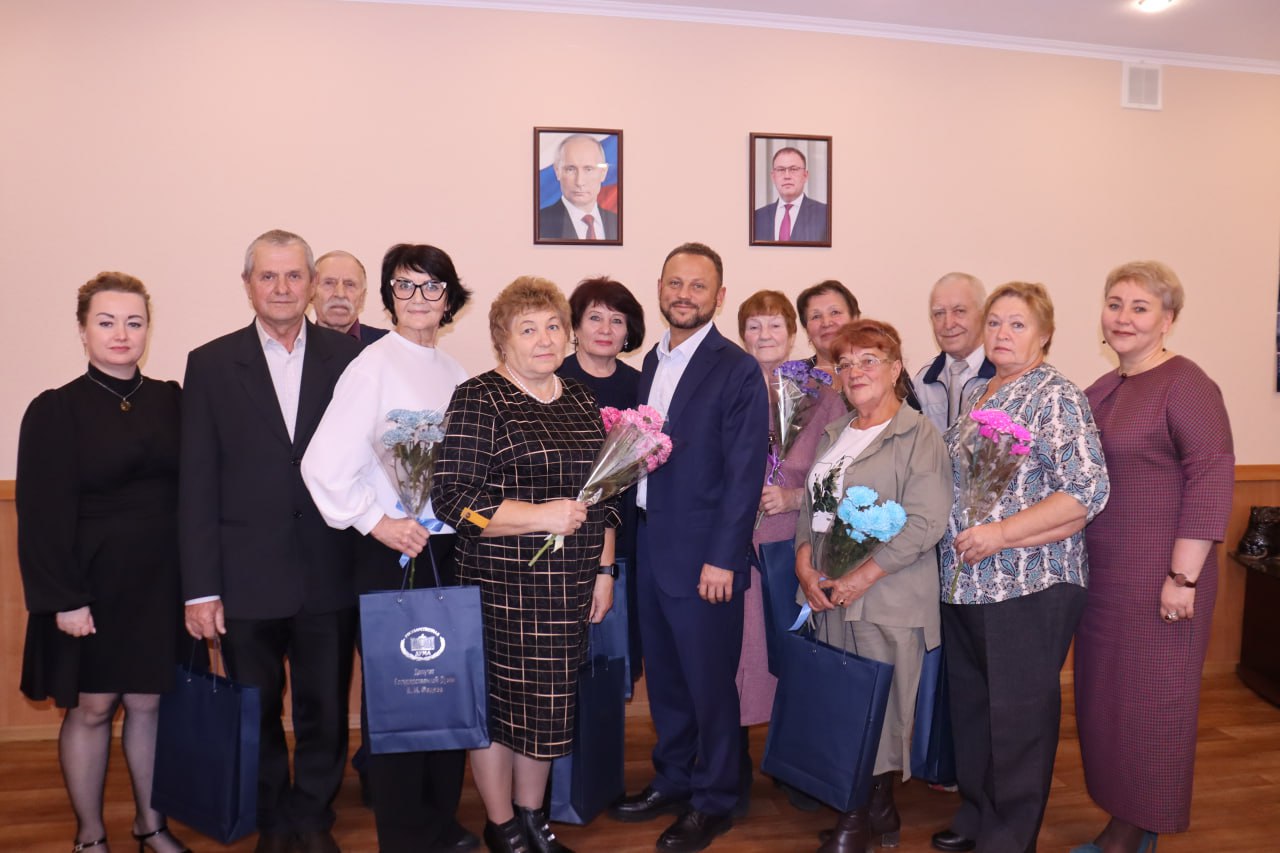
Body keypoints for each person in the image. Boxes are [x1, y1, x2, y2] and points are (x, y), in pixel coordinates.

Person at [180, 229, 362, 853]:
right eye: (268, 276)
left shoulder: (348, 359)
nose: (281, 288)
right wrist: (200, 588)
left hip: (329, 567)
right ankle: (272, 819)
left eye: (293, 276)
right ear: (248, 285)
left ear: (311, 285)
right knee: (254, 707)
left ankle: (311, 816)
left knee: (324, 708)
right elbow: (197, 482)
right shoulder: (210, 363)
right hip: (244, 574)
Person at [432, 276, 618, 853]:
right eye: (528, 329)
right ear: (503, 340)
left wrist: (605, 571)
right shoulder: (479, 397)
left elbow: (603, 493)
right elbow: (455, 501)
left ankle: (534, 818)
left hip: (569, 587)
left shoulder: (581, 399)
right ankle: (502, 825)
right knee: (500, 708)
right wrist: (540, 516)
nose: (544, 339)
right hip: (501, 588)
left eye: (553, 326)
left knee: (550, 706)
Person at [301, 244, 478, 853]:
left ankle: (440, 821)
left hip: (447, 553)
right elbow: (322, 466)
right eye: (405, 286)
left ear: (449, 299)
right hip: (394, 553)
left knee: (445, 691)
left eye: (432, 286)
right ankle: (406, 834)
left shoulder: (455, 371)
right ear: (389, 297)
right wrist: (379, 523)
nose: (419, 298)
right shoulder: (370, 367)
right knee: (403, 698)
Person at [932, 282, 1110, 853]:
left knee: (1017, 723)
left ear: (1045, 334)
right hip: (967, 584)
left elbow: (1085, 491)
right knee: (974, 712)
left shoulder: (1055, 395)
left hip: (1029, 583)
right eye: (995, 323)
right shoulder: (981, 390)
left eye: (1017, 324)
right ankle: (978, 814)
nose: (1002, 334)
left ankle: (1009, 838)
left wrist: (1000, 535)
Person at [17, 273, 190, 853]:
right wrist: (64, 599)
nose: (122, 334)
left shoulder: (172, 399)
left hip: (160, 581)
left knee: (149, 701)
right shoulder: (56, 409)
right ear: (83, 329)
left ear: (147, 330)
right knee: (93, 707)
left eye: (134, 322)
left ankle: (151, 825)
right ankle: (90, 835)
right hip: (89, 585)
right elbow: (40, 515)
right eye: (107, 321)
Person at [609, 243, 768, 853]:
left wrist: (724, 558)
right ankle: (675, 778)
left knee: (709, 685)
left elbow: (744, 473)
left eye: (698, 286)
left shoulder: (736, 369)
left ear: (719, 297)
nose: (684, 295)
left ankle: (715, 799)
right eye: (675, 283)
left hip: (706, 557)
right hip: (652, 544)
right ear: (659, 288)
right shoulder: (651, 362)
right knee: (668, 680)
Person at [1071, 262, 1234, 853]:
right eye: (1115, 304)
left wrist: (1181, 578)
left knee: (1152, 704)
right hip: (1104, 578)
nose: (1123, 317)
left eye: (1140, 307)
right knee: (1106, 703)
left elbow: (1211, 477)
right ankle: (1122, 815)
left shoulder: (1186, 384)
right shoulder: (1102, 388)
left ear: (1168, 319)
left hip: (1162, 576)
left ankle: (1136, 827)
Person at [792, 320, 951, 853]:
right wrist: (804, 567)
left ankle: (856, 818)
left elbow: (926, 523)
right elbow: (811, 512)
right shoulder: (837, 432)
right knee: (844, 709)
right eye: (845, 363)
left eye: (868, 360)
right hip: (828, 597)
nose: (855, 371)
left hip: (887, 599)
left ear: (896, 368)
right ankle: (879, 809)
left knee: (880, 714)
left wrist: (859, 579)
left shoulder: (919, 435)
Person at [738, 289, 845, 814]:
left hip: (796, 542)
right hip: (738, 544)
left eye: (775, 325)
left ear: (792, 333)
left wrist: (793, 496)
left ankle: (792, 763)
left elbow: (845, 471)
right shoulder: (730, 387)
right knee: (742, 655)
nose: (765, 336)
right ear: (741, 336)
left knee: (794, 655)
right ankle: (733, 763)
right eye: (754, 326)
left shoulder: (821, 392)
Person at [558, 277, 647, 689]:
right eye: (595, 318)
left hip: (629, 524)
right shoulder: (554, 379)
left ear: (629, 332)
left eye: (617, 320)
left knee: (617, 645)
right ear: (575, 326)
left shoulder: (641, 384)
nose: (606, 329)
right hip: (566, 528)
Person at [913, 273, 995, 433]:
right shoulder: (923, 381)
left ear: (983, 314)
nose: (948, 324)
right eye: (939, 314)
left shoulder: (1003, 376)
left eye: (959, 311)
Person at [538, 134, 617, 241]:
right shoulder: (539, 222)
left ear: (603, 173)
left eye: (588, 169)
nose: (579, 182)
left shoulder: (618, 222)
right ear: (557, 171)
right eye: (570, 169)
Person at [311, 250, 389, 345]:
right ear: (311, 293)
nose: (340, 294)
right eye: (329, 283)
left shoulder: (388, 345)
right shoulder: (296, 346)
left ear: (362, 298)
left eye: (350, 284)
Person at [752, 147, 829, 243]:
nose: (787, 176)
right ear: (773, 177)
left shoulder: (826, 214)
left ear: (805, 175)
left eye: (794, 169)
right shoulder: (757, 217)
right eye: (781, 170)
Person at [796, 279, 860, 377]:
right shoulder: (792, 379)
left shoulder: (876, 372)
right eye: (816, 316)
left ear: (855, 320)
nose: (826, 323)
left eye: (835, 312)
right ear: (807, 330)